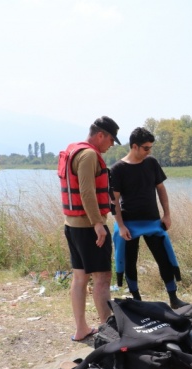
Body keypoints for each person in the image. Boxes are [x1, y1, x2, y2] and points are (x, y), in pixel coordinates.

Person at [110, 127, 188, 309]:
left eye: (151, 148)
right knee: (130, 262)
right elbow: (113, 201)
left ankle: (174, 298)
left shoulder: (151, 162)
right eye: (146, 148)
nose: (149, 151)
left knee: (164, 258)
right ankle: (137, 300)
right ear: (134, 146)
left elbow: (161, 189)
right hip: (129, 223)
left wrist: (166, 214)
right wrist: (120, 226)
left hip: (153, 222)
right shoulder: (118, 169)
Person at [59, 116, 121, 342]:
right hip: (88, 226)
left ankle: (81, 329)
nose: (111, 145)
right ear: (100, 135)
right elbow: (86, 192)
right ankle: (108, 331)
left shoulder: (74, 151)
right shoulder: (89, 155)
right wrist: (98, 223)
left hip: (72, 225)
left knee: (79, 277)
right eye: (111, 139)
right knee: (102, 277)